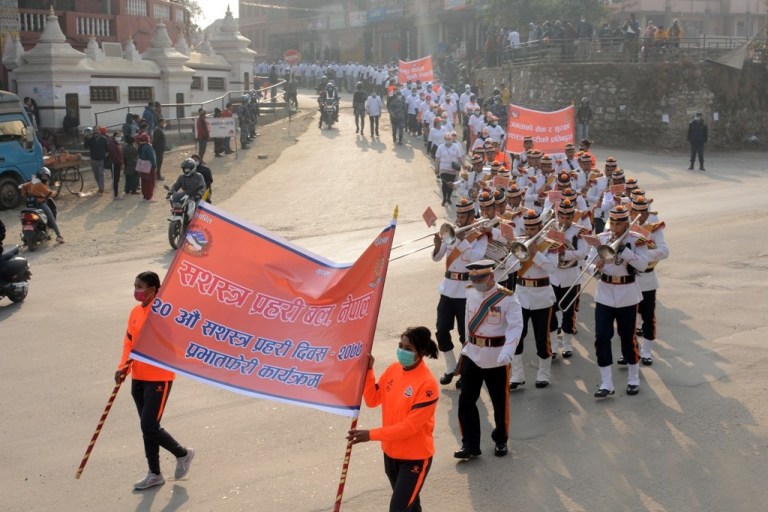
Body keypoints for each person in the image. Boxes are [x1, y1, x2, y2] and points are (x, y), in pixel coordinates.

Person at [115, 271, 195, 490]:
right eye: (135, 286)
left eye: (140, 286)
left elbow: (172, 343)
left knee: (149, 426)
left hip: (159, 377)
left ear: (153, 289)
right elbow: (128, 343)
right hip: (138, 377)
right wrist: (122, 367)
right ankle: (154, 473)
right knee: (147, 427)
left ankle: (183, 454)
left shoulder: (164, 312)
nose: (136, 291)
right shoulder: (135, 312)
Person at [347, 326, 439, 512]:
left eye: (408, 348)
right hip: (391, 454)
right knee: (410, 507)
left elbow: (408, 428)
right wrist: (368, 371)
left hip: (415, 459)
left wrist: (370, 434)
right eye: (400, 346)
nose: (402, 351)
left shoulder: (427, 385)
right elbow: (373, 400)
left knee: (398, 509)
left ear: (421, 352)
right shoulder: (393, 370)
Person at [455, 259, 523, 459]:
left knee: (499, 402)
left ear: (491, 276)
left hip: (496, 357)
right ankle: (470, 444)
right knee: (466, 400)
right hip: (473, 354)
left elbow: (515, 327)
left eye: (480, 278)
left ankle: (500, 439)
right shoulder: (469, 292)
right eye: (473, 278)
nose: (476, 282)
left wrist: (508, 351)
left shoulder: (507, 298)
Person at [590, 205, 648, 398]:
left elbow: (642, 265)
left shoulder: (636, 240)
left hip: (627, 295)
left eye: (619, 224)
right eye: (612, 223)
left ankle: (633, 379)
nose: (614, 228)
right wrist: (595, 267)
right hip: (605, 293)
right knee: (602, 337)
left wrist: (624, 251)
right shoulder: (602, 239)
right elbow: (588, 264)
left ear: (626, 224)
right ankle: (606, 383)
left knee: (627, 337)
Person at [431, 198, 489, 386]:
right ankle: (450, 367)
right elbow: (437, 258)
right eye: (459, 214)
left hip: (466, 292)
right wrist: (437, 245)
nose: (460, 218)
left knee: (466, 336)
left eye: (464, 215)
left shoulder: (480, 236)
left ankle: (466, 371)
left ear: (472, 216)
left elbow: (476, 258)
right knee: (441, 330)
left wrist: (462, 242)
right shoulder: (452, 233)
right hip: (448, 289)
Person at [622, 194, 669, 366]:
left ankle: (647, 351)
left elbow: (664, 251)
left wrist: (641, 256)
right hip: (627, 278)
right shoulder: (625, 227)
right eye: (636, 212)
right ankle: (630, 350)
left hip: (647, 278)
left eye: (643, 212)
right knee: (628, 319)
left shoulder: (654, 228)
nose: (639, 216)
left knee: (648, 317)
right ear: (631, 211)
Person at [19, 168, 64, 243]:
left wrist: (25, 194)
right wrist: (55, 192)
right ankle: (58, 235)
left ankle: (26, 237)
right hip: (40, 205)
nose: (45, 178)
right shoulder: (40, 185)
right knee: (50, 216)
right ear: (41, 176)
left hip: (30, 206)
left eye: (46, 176)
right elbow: (50, 194)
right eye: (44, 176)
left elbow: (23, 186)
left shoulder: (32, 182)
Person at [84, 126, 109, 193]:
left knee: (101, 174)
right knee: (96, 175)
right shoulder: (91, 139)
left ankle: (101, 188)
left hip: (101, 159)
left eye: (97, 130)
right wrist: (86, 137)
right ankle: (99, 186)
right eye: (94, 130)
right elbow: (86, 146)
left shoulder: (104, 139)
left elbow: (107, 148)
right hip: (93, 159)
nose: (96, 132)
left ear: (99, 131)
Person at [136, 133, 157, 202]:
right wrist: (154, 165)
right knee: (150, 182)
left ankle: (145, 196)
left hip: (143, 167)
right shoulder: (148, 147)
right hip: (149, 167)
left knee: (144, 182)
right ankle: (149, 197)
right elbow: (152, 158)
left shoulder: (140, 146)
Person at [106, 132, 124, 200]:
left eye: (120, 136)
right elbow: (115, 155)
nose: (119, 137)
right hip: (114, 163)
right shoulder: (112, 144)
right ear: (114, 136)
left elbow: (120, 154)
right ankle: (115, 195)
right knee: (115, 180)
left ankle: (116, 194)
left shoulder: (117, 144)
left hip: (118, 163)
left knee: (117, 179)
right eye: (117, 136)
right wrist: (121, 163)